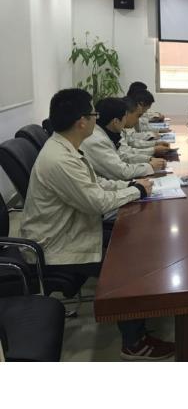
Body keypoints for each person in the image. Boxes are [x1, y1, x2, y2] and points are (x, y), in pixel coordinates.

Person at [19, 88, 174, 360]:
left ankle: (140, 316)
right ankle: (134, 342)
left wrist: (132, 185)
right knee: (128, 266)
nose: (96, 118)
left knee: (135, 242)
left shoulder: (65, 147)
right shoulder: (60, 159)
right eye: (93, 114)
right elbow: (97, 202)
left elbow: (96, 184)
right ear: (81, 121)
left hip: (73, 228)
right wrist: (137, 190)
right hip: (55, 245)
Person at [81, 97, 166, 180]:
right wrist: (149, 166)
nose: (125, 121)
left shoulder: (109, 132)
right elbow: (122, 172)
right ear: (116, 121)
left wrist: (149, 159)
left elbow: (122, 156)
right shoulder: (97, 141)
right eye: (125, 117)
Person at [119, 96, 171, 163]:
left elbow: (132, 142)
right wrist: (151, 157)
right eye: (138, 116)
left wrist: (155, 144)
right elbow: (125, 156)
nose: (137, 120)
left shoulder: (122, 128)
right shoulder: (113, 133)